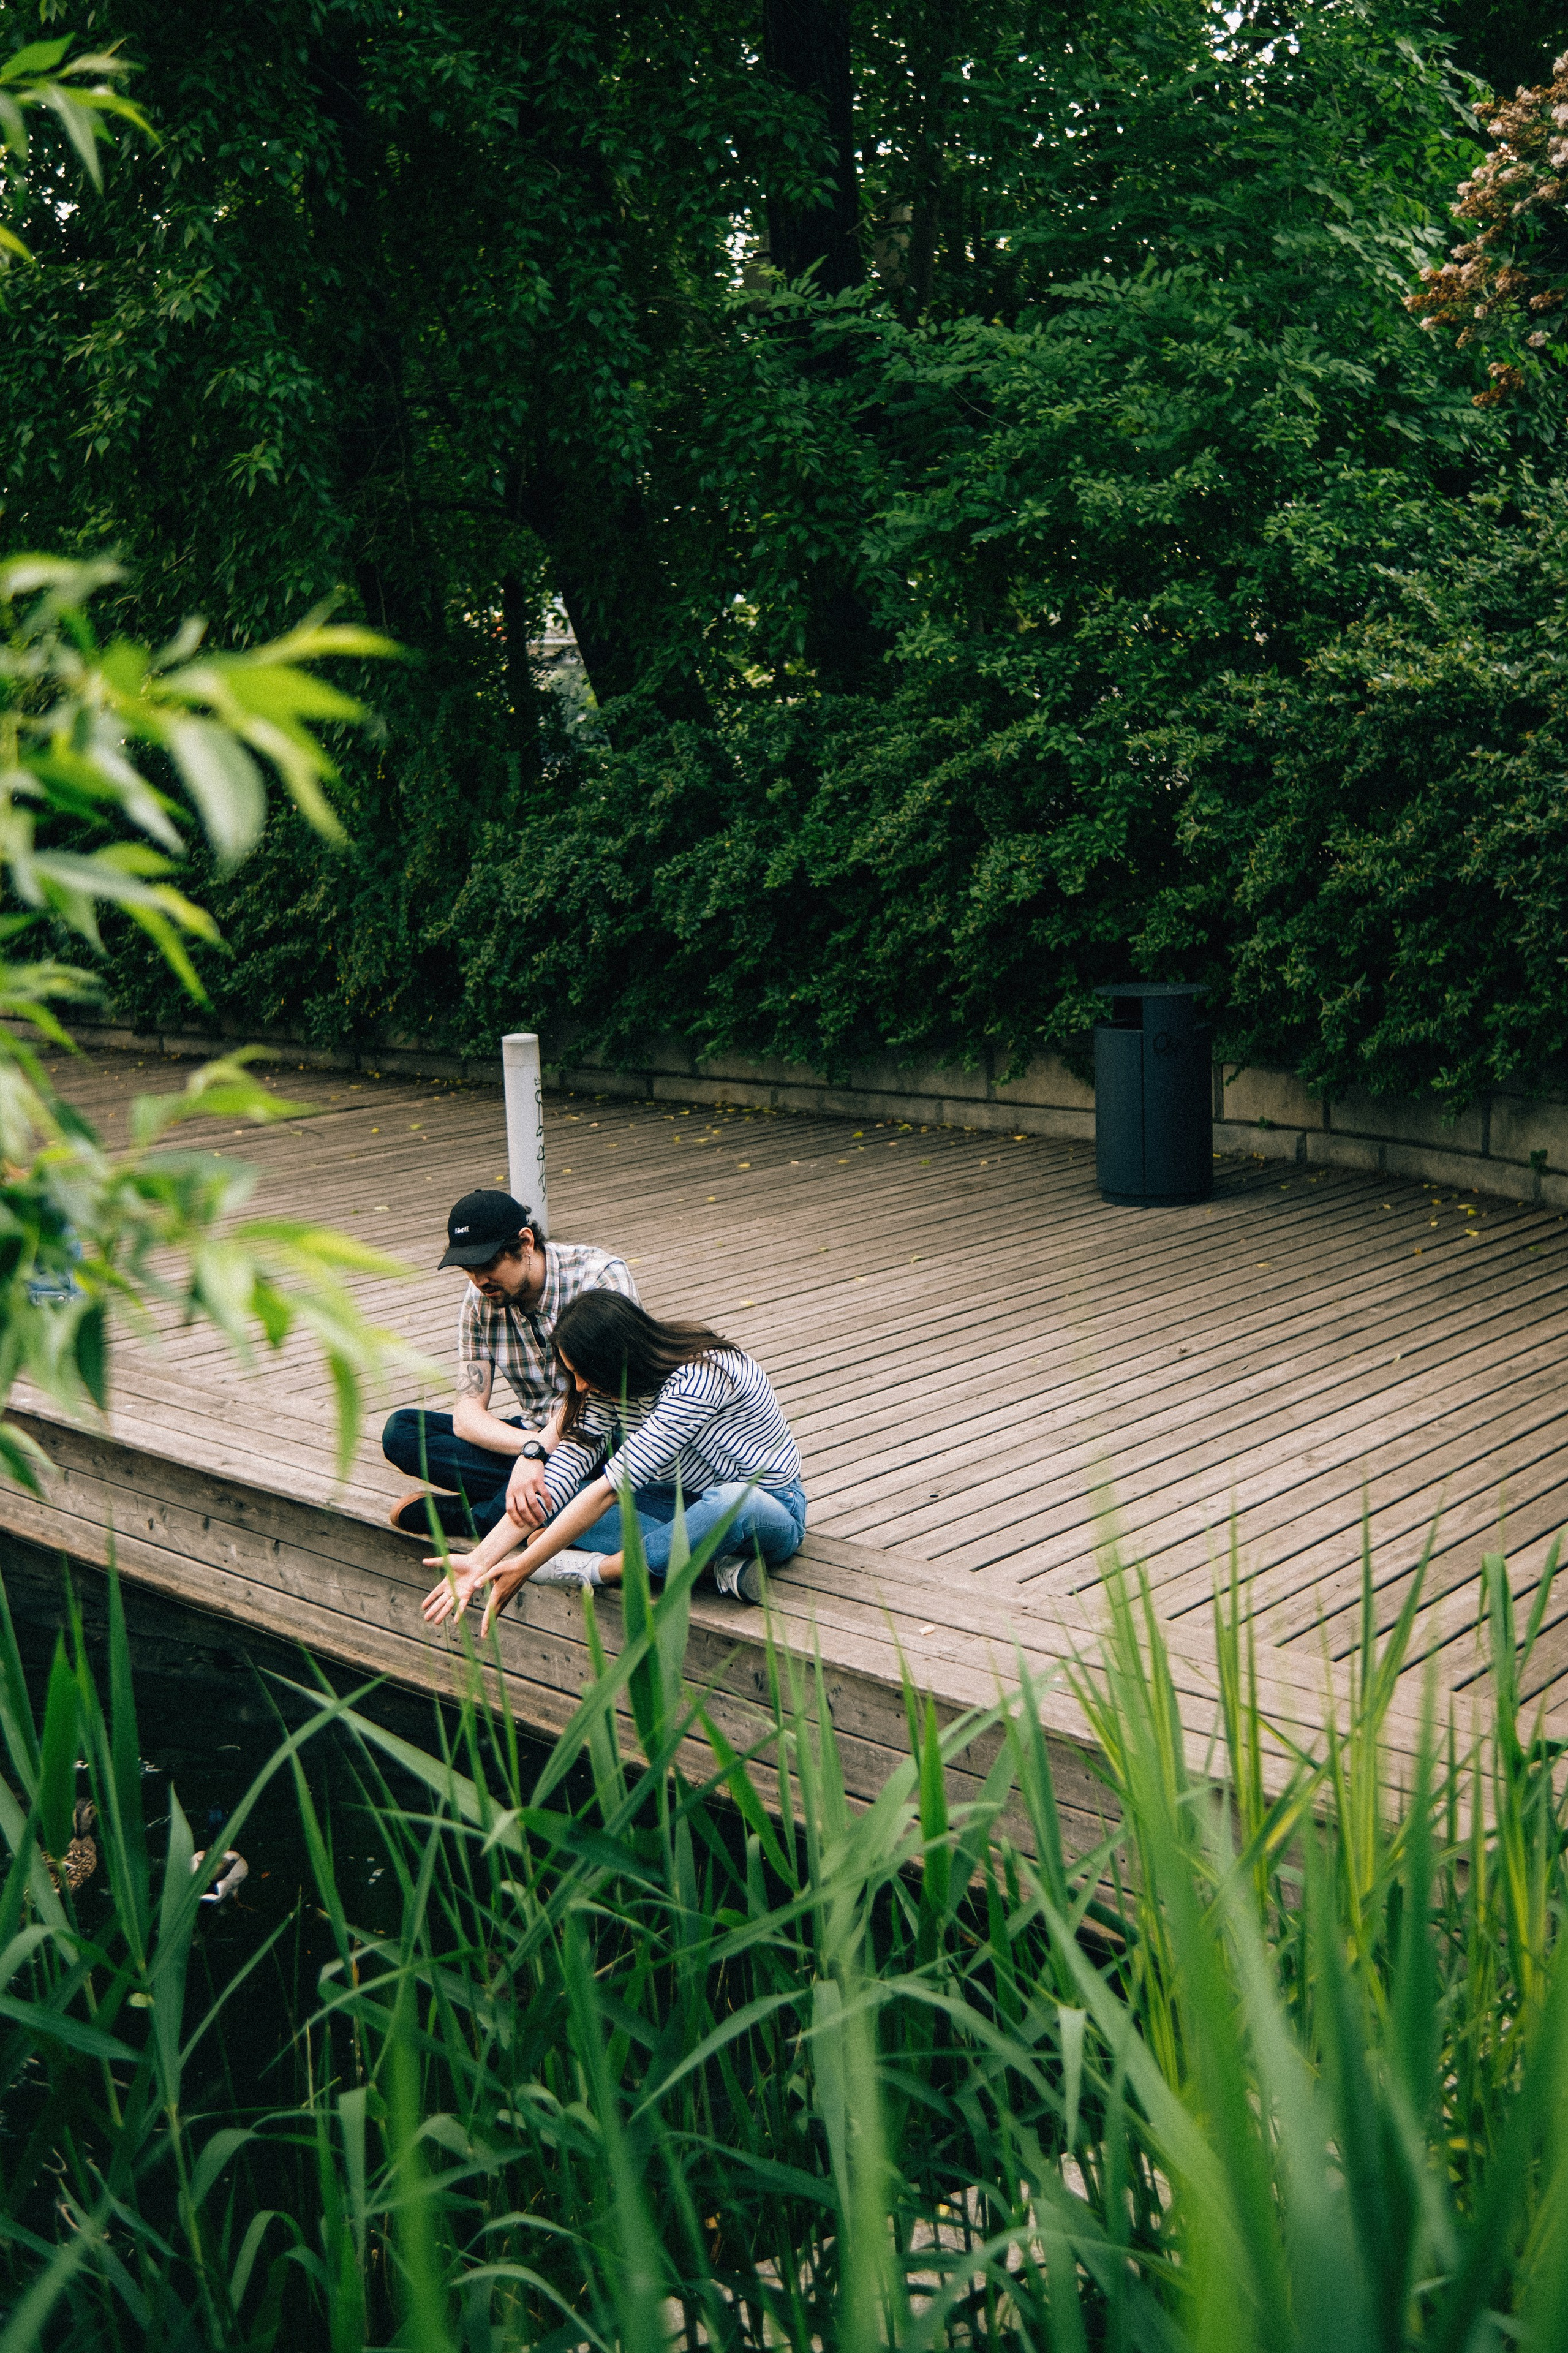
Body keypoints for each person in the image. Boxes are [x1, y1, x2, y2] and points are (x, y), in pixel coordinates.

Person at [420, 1291, 807, 1633]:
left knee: (727, 1505)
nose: (581, 1387)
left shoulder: (700, 1376)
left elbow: (610, 1492)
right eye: (573, 1375)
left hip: (769, 1506)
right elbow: (556, 1481)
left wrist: (526, 1566)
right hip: (673, 1502)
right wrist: (479, 1559)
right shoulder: (608, 1389)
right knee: (559, 1506)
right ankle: (713, 1568)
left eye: (584, 1373)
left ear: (615, 1358)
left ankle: (599, 1570)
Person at [382, 1188, 637, 1541]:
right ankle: (534, 1502)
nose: (479, 1281)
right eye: (469, 1270)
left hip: (603, 1436)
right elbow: (467, 1414)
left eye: (488, 1266)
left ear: (525, 1242)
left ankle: (475, 1517)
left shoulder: (600, 1277)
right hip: (531, 1437)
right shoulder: (479, 1301)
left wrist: (539, 1455)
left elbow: (601, 1394)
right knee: (403, 1431)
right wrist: (532, 1449)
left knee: (610, 1471)